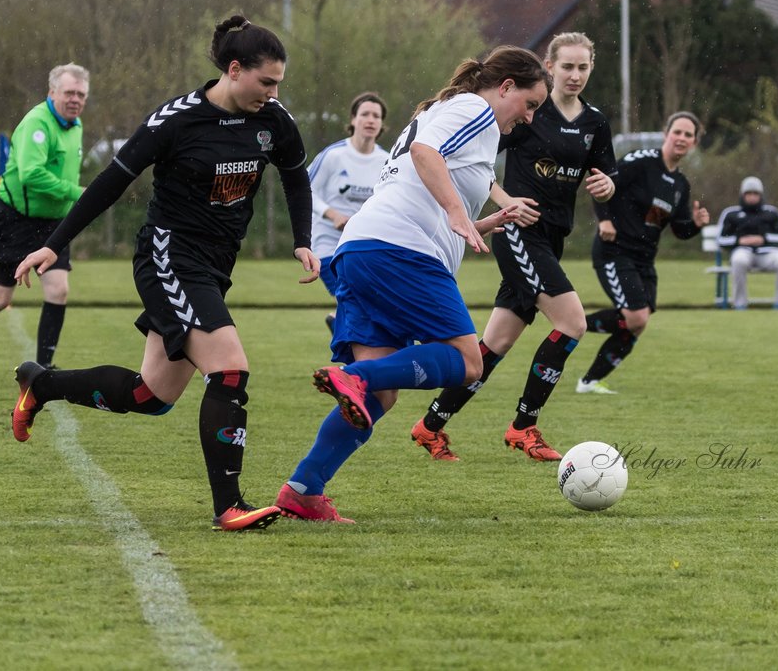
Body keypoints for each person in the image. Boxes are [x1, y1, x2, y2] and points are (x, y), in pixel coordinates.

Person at [10, 16, 319, 532]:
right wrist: (53, 244)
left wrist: (303, 239)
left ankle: (42, 385)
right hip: (169, 256)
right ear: (235, 69)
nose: (273, 92)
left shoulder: (274, 121)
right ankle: (229, 507)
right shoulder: (175, 121)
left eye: (279, 83)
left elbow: (295, 178)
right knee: (229, 370)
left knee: (150, 395)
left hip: (215, 267)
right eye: (266, 81)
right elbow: (110, 183)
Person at [274, 45, 551, 523]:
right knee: (467, 363)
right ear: (505, 87)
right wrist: (456, 211)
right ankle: (353, 379)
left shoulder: (442, 111)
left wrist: (481, 222)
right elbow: (427, 156)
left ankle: (303, 489)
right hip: (398, 252)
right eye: (529, 104)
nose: (528, 118)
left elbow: (421, 183)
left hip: (363, 249)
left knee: (380, 396)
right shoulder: (475, 110)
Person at [410, 32, 617, 462]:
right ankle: (524, 426)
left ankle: (430, 426)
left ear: (591, 68)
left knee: (495, 344)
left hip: (552, 239)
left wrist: (605, 184)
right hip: (520, 235)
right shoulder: (525, 114)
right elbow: (471, 159)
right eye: (567, 67)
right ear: (550, 66)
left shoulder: (595, 122)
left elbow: (605, 180)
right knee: (573, 322)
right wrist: (504, 200)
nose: (575, 75)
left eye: (583, 67)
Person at [0, 64, 89, 384]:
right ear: (52, 92)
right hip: (14, 219)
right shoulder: (37, 123)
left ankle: (42, 370)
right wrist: (76, 193)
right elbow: (31, 174)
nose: (75, 99)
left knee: (58, 288)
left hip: (53, 223)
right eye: (69, 93)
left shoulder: (75, 125)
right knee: (0, 298)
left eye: (81, 94)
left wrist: (70, 206)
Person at [575, 111, 711, 394]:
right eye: (678, 132)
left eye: (689, 135)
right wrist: (604, 220)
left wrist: (696, 225)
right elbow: (602, 184)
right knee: (636, 316)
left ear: (694, 143)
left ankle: (588, 382)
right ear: (666, 133)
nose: (682, 138)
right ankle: (571, 322)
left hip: (644, 260)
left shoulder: (680, 185)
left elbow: (680, 230)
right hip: (616, 251)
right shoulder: (641, 162)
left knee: (638, 324)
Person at [308, 92, 391, 332]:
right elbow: (303, 190)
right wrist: (332, 215)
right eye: (365, 114)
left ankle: (343, 333)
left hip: (363, 244)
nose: (370, 120)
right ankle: (356, 356)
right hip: (328, 243)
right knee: (354, 298)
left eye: (376, 116)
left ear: (381, 124)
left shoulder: (387, 161)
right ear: (353, 120)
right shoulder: (333, 155)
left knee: (361, 302)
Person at [716, 176, 778, 309]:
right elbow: (720, 239)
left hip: (769, 253)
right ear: (742, 195)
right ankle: (740, 304)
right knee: (738, 261)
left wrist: (764, 239)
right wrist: (739, 240)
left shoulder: (772, 213)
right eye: (749, 193)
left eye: (755, 194)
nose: (752, 197)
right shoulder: (731, 214)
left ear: (761, 195)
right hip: (743, 251)